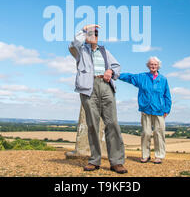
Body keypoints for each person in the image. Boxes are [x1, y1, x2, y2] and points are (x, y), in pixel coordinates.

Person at [68, 24, 128, 174]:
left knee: (112, 123)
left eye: (94, 34)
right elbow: (73, 44)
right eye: (89, 34)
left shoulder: (104, 51)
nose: (92, 36)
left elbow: (117, 67)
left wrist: (110, 71)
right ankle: (94, 160)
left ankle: (117, 162)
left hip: (106, 86)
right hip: (88, 88)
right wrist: (83, 29)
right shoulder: (80, 51)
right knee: (93, 124)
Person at [119, 56, 171, 164]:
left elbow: (167, 95)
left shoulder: (163, 79)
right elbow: (130, 77)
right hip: (145, 109)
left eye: (155, 64)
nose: (153, 66)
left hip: (159, 110)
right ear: (148, 65)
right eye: (151, 64)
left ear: (158, 66)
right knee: (146, 133)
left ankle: (159, 156)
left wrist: (167, 109)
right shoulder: (142, 77)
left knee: (159, 133)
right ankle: (145, 155)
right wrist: (116, 74)